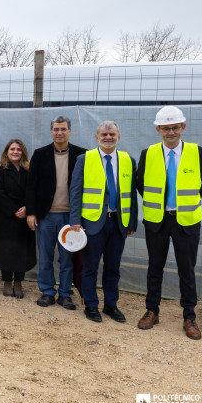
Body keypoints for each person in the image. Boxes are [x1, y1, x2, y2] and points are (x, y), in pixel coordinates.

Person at [136, 106, 202, 340]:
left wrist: (181, 206)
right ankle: (152, 311)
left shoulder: (198, 152)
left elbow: (201, 184)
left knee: (187, 270)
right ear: (158, 130)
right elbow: (141, 184)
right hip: (157, 219)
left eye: (175, 127)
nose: (171, 132)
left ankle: (189, 316)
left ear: (183, 127)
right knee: (154, 267)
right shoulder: (149, 153)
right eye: (165, 128)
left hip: (186, 220)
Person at [69, 121, 138, 323]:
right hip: (92, 223)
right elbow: (75, 192)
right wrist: (75, 220)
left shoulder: (128, 160)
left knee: (113, 268)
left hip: (118, 223)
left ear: (119, 136)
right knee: (90, 267)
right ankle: (91, 305)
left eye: (112, 134)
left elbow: (131, 194)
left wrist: (131, 222)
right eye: (104, 134)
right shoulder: (85, 159)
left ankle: (110, 305)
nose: (108, 137)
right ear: (97, 137)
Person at [26, 116, 87, 309]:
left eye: (63, 129)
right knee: (45, 256)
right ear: (51, 131)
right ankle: (47, 291)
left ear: (70, 131)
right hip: (46, 216)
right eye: (56, 129)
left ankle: (65, 294)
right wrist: (31, 212)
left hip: (71, 217)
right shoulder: (40, 154)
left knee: (67, 257)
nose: (59, 133)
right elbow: (31, 186)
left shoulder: (82, 155)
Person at [0, 139, 36, 298]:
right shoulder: (0, 169)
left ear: (23, 152)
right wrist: (13, 210)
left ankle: (18, 282)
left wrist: (28, 209)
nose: (15, 152)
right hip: (6, 217)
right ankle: (7, 282)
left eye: (19, 149)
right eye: (12, 149)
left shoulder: (29, 169)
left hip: (25, 217)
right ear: (7, 151)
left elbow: (34, 191)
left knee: (22, 251)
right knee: (7, 250)